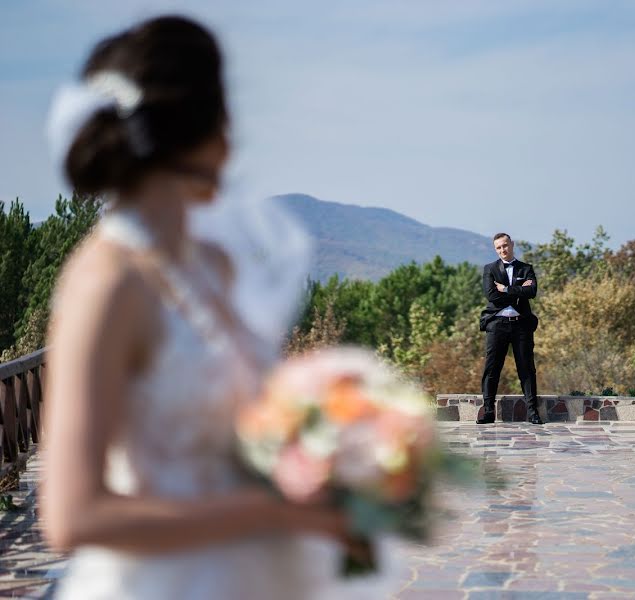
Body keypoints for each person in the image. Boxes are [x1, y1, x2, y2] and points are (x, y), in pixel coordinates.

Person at [40, 15, 385, 599]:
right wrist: (271, 514)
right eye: (225, 115)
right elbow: (73, 515)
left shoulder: (212, 264)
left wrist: (325, 443)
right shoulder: (107, 282)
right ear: (202, 130)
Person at [478, 233, 543, 425]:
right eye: (498, 248)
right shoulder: (489, 269)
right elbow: (492, 296)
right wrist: (518, 290)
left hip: (521, 325)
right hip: (497, 324)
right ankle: (488, 411)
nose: (502, 250)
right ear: (495, 249)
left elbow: (531, 292)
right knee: (492, 368)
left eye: (505, 246)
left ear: (512, 245)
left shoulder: (526, 268)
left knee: (526, 368)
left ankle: (533, 413)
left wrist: (506, 289)